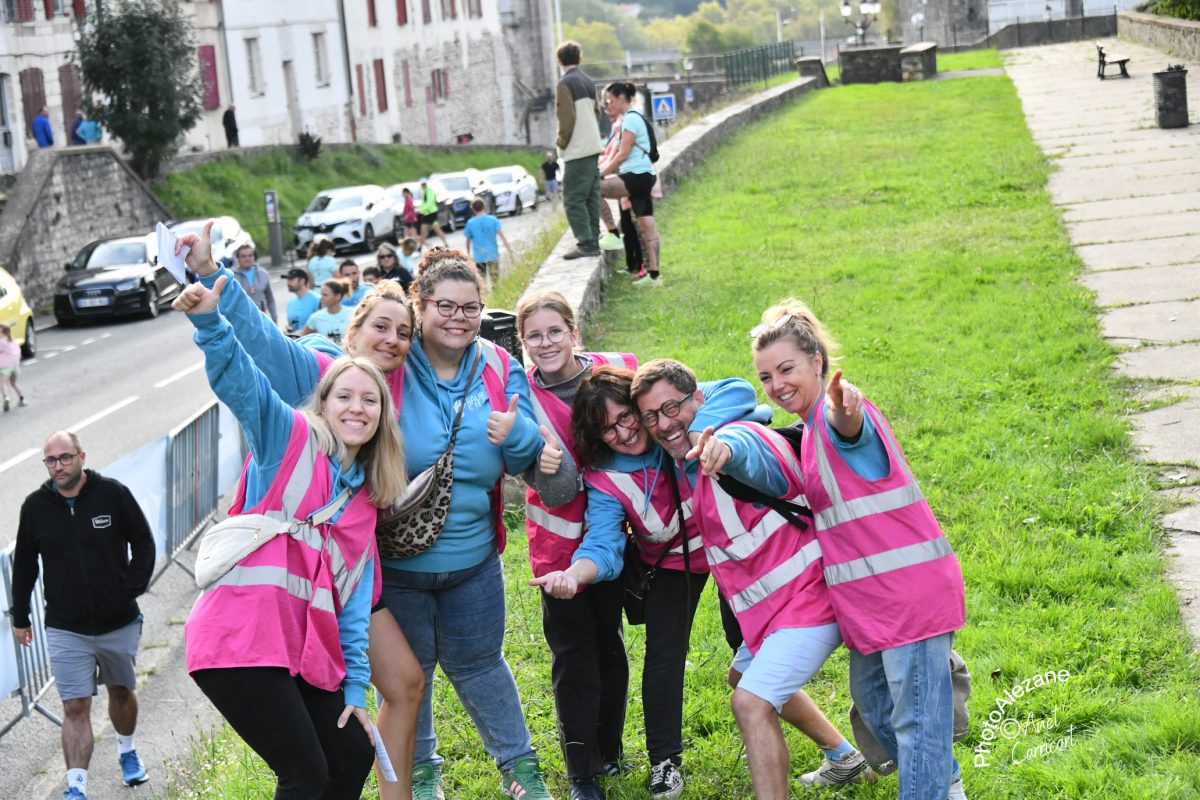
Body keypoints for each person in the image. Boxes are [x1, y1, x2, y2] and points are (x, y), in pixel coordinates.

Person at [175, 220, 424, 800]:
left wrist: (357, 687)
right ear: (323, 401)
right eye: (345, 396)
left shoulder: (363, 498)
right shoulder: (287, 438)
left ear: (383, 418)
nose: (356, 408)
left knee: (350, 753)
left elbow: (355, 607)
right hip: (238, 637)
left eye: (370, 400)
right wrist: (210, 320)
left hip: (295, 643)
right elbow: (245, 379)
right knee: (306, 775)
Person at [749, 300, 968, 800]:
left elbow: (850, 426)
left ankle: (933, 784)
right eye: (766, 376)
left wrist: (845, 411)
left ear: (817, 363)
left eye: (786, 369)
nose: (777, 384)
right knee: (873, 705)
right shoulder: (808, 430)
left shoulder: (836, 417)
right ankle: (944, 777)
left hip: (909, 595)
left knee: (916, 724)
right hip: (869, 604)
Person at [630, 359, 870, 799]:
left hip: (812, 601)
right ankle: (844, 758)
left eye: (671, 409)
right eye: (651, 417)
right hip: (777, 609)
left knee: (751, 703)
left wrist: (725, 450)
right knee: (743, 678)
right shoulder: (683, 454)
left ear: (698, 399)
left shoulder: (736, 436)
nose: (663, 424)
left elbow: (747, 452)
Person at [383, 249, 557, 800]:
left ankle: (522, 772)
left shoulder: (499, 366)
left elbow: (530, 456)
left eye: (471, 307)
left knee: (482, 665)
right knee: (410, 677)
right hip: (395, 565)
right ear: (420, 305)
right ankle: (422, 776)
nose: (458, 318)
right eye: (445, 306)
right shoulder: (390, 362)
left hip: (475, 560)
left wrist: (517, 434)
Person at [569, 366, 770, 799]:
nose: (623, 433)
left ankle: (791, 738)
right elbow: (602, 542)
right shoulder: (605, 477)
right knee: (663, 656)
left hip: (729, 549)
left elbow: (738, 390)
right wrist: (575, 572)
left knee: (752, 646)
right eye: (607, 430)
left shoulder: (667, 424)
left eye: (626, 417)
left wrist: (696, 433)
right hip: (673, 565)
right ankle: (665, 762)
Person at [513, 292, 636, 800]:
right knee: (573, 656)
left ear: (574, 332)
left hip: (613, 538)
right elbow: (549, 484)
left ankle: (610, 750)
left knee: (610, 646)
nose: (545, 343)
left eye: (554, 332)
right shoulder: (521, 396)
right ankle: (582, 772)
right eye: (534, 336)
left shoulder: (615, 371)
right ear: (522, 342)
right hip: (557, 548)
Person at [12, 431, 156, 799]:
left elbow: (143, 542)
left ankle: (127, 752)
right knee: (75, 705)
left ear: (81, 457)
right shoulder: (35, 508)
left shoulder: (113, 494)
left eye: (65, 457)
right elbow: (25, 564)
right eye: (51, 460)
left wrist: (131, 588)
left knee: (121, 691)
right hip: (66, 627)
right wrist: (20, 616)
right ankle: (76, 787)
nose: (58, 466)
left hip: (118, 622)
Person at [598, 83, 661, 287]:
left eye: (609, 101)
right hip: (644, 176)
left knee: (593, 189)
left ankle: (613, 233)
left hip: (635, 175)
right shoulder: (634, 117)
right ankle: (654, 275)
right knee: (647, 226)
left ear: (621, 98)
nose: (607, 106)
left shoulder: (630, 119)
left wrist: (601, 174)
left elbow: (622, 155)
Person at [554, 41, 603, 260]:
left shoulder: (565, 84)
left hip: (578, 149)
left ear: (559, 61)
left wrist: (562, 142)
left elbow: (566, 118)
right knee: (591, 196)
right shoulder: (588, 81)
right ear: (579, 58)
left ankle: (586, 243)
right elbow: (596, 112)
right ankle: (593, 239)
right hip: (592, 146)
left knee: (573, 198)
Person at [462, 198, 512, 288]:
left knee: (482, 282)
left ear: (473, 209)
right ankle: (496, 292)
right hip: (493, 254)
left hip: (479, 257)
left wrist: (468, 254)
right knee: (495, 280)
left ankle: (486, 296)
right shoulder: (493, 219)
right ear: (484, 206)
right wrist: (508, 249)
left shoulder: (470, 223)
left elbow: (467, 241)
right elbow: (501, 235)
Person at [231, 244, 277, 322]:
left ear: (254, 257)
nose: (247, 259)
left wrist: (274, 318)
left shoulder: (263, 274)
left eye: (250, 255)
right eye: (243, 256)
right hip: (240, 321)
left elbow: (270, 299)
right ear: (238, 258)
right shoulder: (231, 276)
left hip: (261, 319)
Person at [284, 268, 321, 335]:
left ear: (302, 281)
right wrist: (287, 327)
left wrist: (303, 332)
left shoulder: (318, 299)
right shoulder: (290, 303)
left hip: (313, 340)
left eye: (291, 279)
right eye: (288, 280)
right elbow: (291, 324)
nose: (288, 283)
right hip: (295, 340)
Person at [415, 178, 449, 250]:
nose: (423, 185)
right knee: (423, 231)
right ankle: (420, 247)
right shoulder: (424, 192)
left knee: (437, 230)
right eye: (422, 184)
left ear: (426, 184)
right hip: (426, 214)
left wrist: (421, 210)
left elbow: (429, 203)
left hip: (431, 213)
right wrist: (420, 209)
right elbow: (423, 203)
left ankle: (446, 243)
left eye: (424, 184)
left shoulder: (430, 192)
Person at [0, 322, 27, 410]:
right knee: (14, 383)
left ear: (3, 333)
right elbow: (18, 351)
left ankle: (6, 397)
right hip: (15, 365)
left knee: (4, 383)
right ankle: (22, 398)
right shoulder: (12, 340)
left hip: (5, 367)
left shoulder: (1, 342)